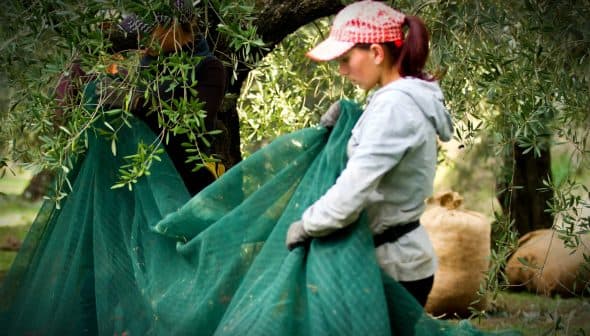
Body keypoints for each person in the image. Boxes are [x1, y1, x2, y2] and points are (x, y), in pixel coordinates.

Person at [285, 0, 454, 307]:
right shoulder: (396, 99)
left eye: (347, 58)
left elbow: (353, 191)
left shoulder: (395, 107)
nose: (341, 69)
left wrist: (307, 224)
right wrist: (348, 124)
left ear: (376, 52)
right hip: (393, 260)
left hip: (394, 268)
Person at [100, 0, 228, 196]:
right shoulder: (147, 63)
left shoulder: (209, 68)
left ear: (175, 28)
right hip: (145, 182)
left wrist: (135, 102)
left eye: (150, 32)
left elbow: (192, 123)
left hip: (185, 185)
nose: (143, 40)